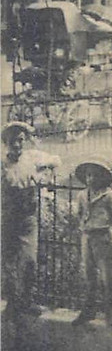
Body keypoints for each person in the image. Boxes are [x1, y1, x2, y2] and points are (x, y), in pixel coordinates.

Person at [1, 121, 60, 321]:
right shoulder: (2, 164)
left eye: (20, 141)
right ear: (5, 143)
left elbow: (56, 160)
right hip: (8, 218)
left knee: (29, 261)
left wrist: (43, 171)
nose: (17, 146)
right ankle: (12, 302)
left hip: (28, 218)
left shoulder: (32, 158)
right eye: (12, 142)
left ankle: (26, 300)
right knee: (9, 262)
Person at [72, 158, 112, 328]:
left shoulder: (110, 196)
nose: (91, 179)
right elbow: (79, 214)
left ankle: (110, 312)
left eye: (95, 176)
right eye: (88, 175)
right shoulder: (82, 195)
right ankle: (88, 310)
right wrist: (85, 228)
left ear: (103, 177)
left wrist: (108, 232)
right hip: (87, 236)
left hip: (103, 237)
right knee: (89, 275)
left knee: (107, 277)